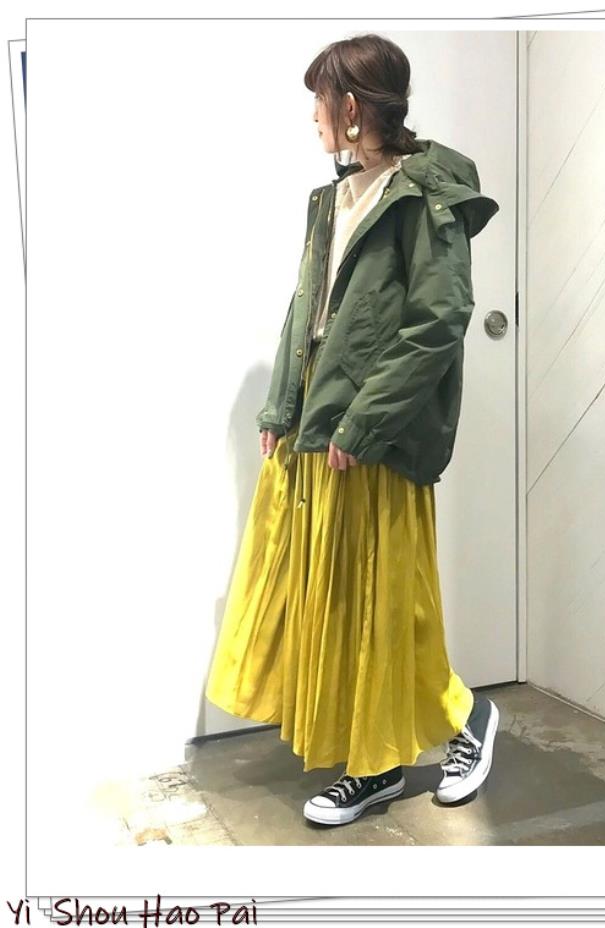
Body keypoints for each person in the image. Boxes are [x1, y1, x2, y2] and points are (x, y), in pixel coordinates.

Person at [205, 33, 501, 828]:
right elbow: (305, 309)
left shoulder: (425, 195)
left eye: (319, 100)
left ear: (351, 106)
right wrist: (280, 407)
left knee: (386, 605)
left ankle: (460, 724)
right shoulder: (331, 198)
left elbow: (438, 321)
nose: (312, 117)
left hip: (377, 437)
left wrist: (365, 423)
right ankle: (377, 761)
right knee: (338, 608)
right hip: (319, 428)